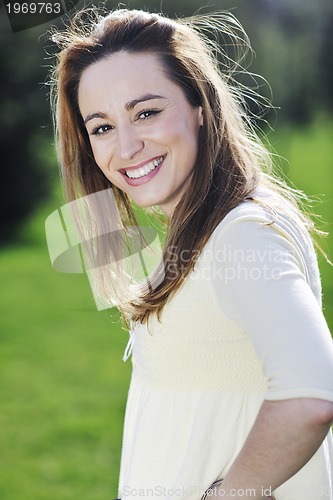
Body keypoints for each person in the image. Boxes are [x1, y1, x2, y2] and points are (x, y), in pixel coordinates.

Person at [49, 7, 333, 500]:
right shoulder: (197, 228)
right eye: (101, 127)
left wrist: (231, 495)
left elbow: (311, 395)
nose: (128, 146)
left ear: (200, 107)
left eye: (146, 112)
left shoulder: (243, 234)